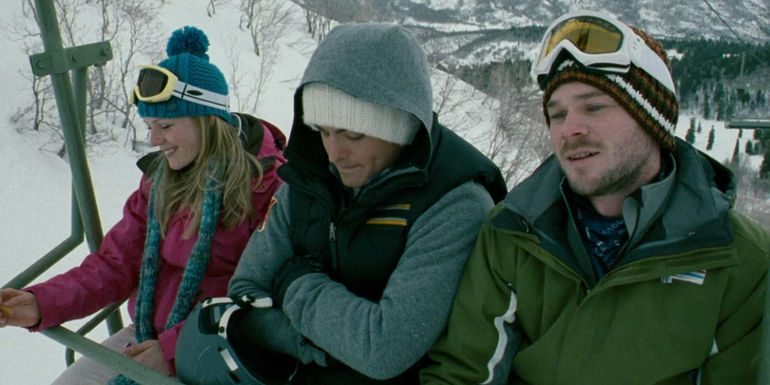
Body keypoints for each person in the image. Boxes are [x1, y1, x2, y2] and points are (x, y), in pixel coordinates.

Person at [421, 10, 770, 385]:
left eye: (594, 107)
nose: (569, 129)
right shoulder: (514, 233)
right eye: (557, 115)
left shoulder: (737, 258)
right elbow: (465, 372)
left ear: (651, 119)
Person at [176, 22, 507, 384]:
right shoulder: (309, 178)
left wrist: (296, 284)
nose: (334, 154)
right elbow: (244, 294)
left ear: (401, 127)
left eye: (353, 134)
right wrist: (306, 341)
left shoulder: (454, 203)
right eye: (323, 131)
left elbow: (384, 349)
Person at [0, 26, 286, 384]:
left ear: (208, 121)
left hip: (216, 353)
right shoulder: (159, 183)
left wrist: (173, 350)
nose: (153, 140)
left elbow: (259, 303)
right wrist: (40, 303)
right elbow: (115, 264)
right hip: (146, 336)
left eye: (164, 125)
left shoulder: (268, 191)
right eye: (149, 126)